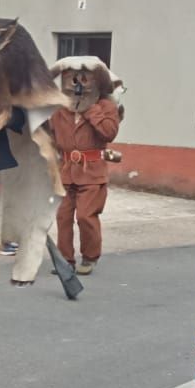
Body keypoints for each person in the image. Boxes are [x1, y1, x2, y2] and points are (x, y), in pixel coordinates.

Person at [49, 56, 122, 276]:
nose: (77, 85)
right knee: (62, 217)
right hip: (66, 171)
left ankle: (90, 257)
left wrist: (91, 111)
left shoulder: (106, 107)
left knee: (85, 216)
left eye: (83, 79)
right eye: (72, 79)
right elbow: (50, 135)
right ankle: (65, 260)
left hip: (92, 172)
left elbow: (109, 132)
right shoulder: (60, 109)